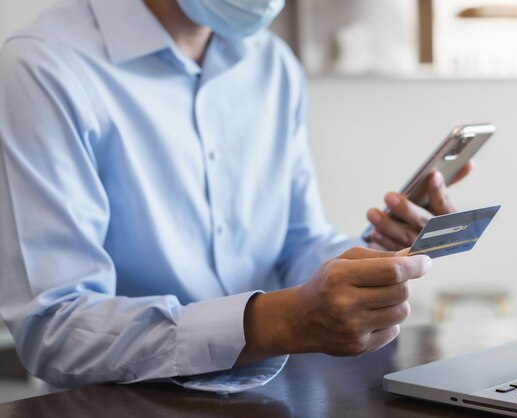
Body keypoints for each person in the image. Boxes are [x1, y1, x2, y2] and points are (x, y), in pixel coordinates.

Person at [0, 0, 470, 390]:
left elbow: (296, 243)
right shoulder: (43, 68)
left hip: (272, 395)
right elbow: (55, 327)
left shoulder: (273, 66)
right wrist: (279, 322)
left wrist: (371, 262)